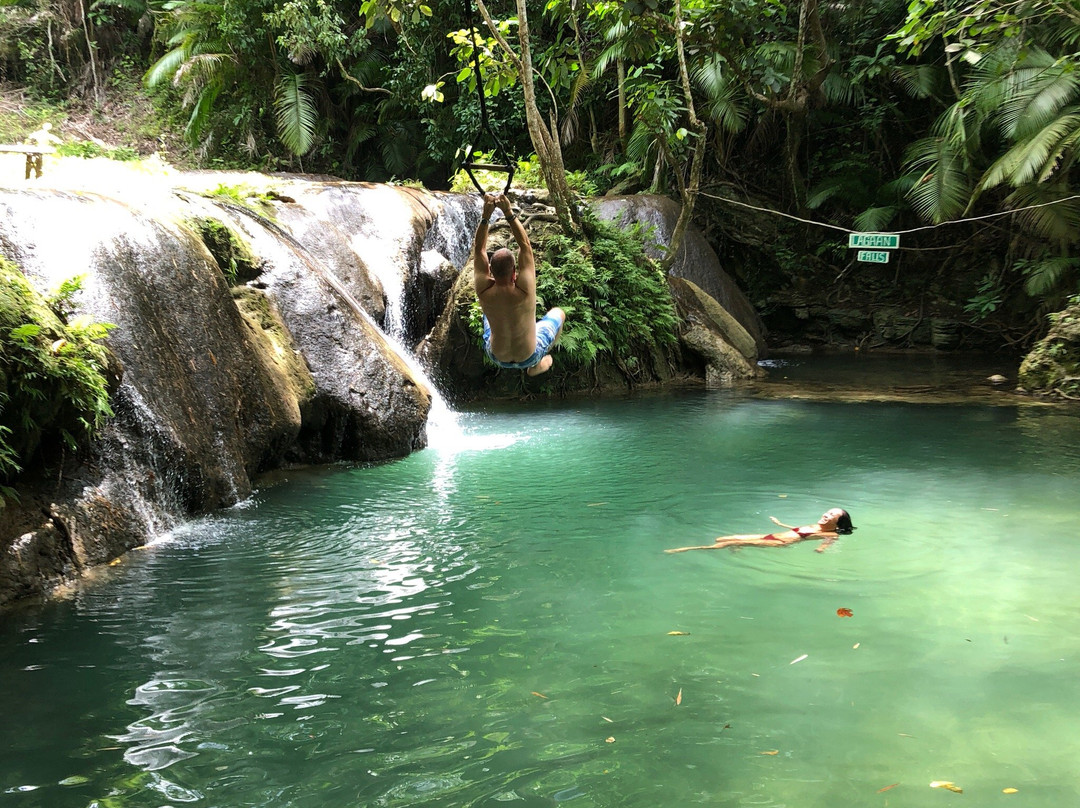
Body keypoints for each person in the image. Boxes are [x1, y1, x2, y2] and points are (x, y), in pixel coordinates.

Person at [473, 192, 565, 376]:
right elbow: (525, 246)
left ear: (490, 271)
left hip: (496, 356)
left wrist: (485, 215)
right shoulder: (525, 291)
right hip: (529, 356)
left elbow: (479, 250)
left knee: (487, 313)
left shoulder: (483, 290)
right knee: (559, 313)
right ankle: (537, 366)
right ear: (515, 272)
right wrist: (508, 212)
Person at [666, 508, 855, 554]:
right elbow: (797, 530)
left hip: (779, 542)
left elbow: (830, 540)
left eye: (832, 515)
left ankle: (687, 549)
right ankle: (737, 547)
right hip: (772, 535)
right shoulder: (816, 525)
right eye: (828, 512)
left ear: (838, 522)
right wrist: (780, 524)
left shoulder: (830, 533)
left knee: (728, 543)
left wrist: (821, 549)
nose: (826, 514)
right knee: (722, 538)